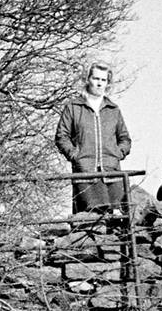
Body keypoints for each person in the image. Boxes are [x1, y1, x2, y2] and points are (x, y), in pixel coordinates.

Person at [54, 61, 133, 214]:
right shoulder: (73, 107)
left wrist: (117, 154)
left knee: (117, 219)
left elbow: (125, 139)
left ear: (107, 83)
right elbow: (61, 136)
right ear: (88, 79)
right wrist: (75, 155)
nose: (99, 83)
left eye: (103, 80)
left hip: (112, 173)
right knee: (91, 219)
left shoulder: (113, 110)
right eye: (96, 78)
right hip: (85, 172)